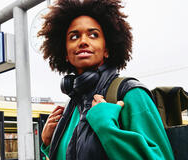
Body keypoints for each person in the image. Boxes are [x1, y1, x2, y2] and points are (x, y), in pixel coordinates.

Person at [38, 0, 174, 159]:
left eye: (93, 35)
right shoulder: (72, 107)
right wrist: (50, 143)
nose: (83, 41)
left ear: (107, 49)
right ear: (66, 54)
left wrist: (106, 128)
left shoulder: (130, 93)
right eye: (74, 36)